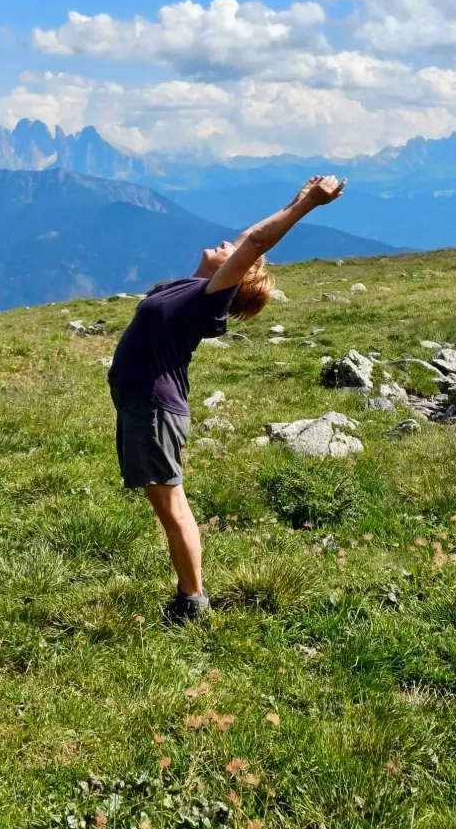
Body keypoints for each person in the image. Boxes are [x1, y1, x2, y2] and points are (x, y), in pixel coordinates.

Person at [108, 175, 347, 620]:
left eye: (232, 255)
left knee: (171, 505)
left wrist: (309, 205)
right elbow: (246, 239)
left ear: (232, 277)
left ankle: (193, 601)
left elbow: (254, 242)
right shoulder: (193, 289)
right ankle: (190, 596)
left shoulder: (206, 298)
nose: (225, 242)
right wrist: (295, 197)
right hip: (145, 406)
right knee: (166, 503)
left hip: (155, 410)